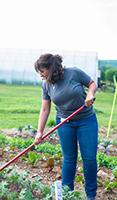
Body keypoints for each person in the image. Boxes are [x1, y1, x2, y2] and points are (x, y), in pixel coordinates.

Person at [33, 53, 98, 199]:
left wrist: (89, 95)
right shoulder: (46, 85)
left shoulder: (73, 72)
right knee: (69, 158)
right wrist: (39, 132)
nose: (41, 75)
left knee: (89, 158)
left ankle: (91, 196)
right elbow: (45, 110)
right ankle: (67, 195)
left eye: (42, 71)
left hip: (86, 120)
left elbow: (92, 83)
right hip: (64, 122)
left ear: (51, 68)